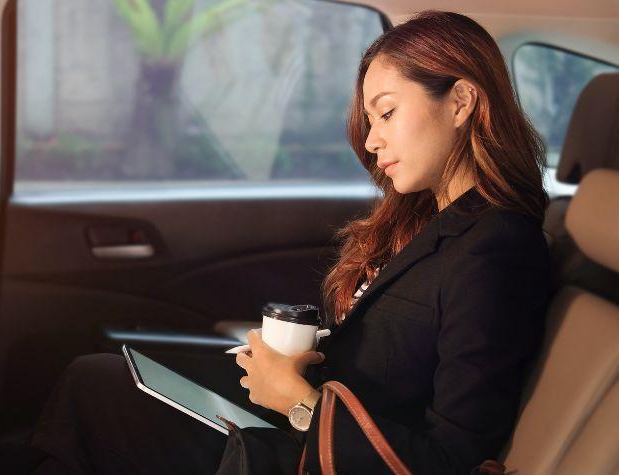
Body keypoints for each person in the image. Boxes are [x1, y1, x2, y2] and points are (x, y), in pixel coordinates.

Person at [29, 10, 551, 475]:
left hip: (313, 448)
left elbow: (450, 460)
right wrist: (289, 362)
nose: (371, 141)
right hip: (306, 426)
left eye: (386, 113)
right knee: (95, 379)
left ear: (460, 101)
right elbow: (398, 354)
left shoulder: (498, 249)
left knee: (94, 397)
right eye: (370, 121)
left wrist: (299, 402)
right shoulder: (434, 223)